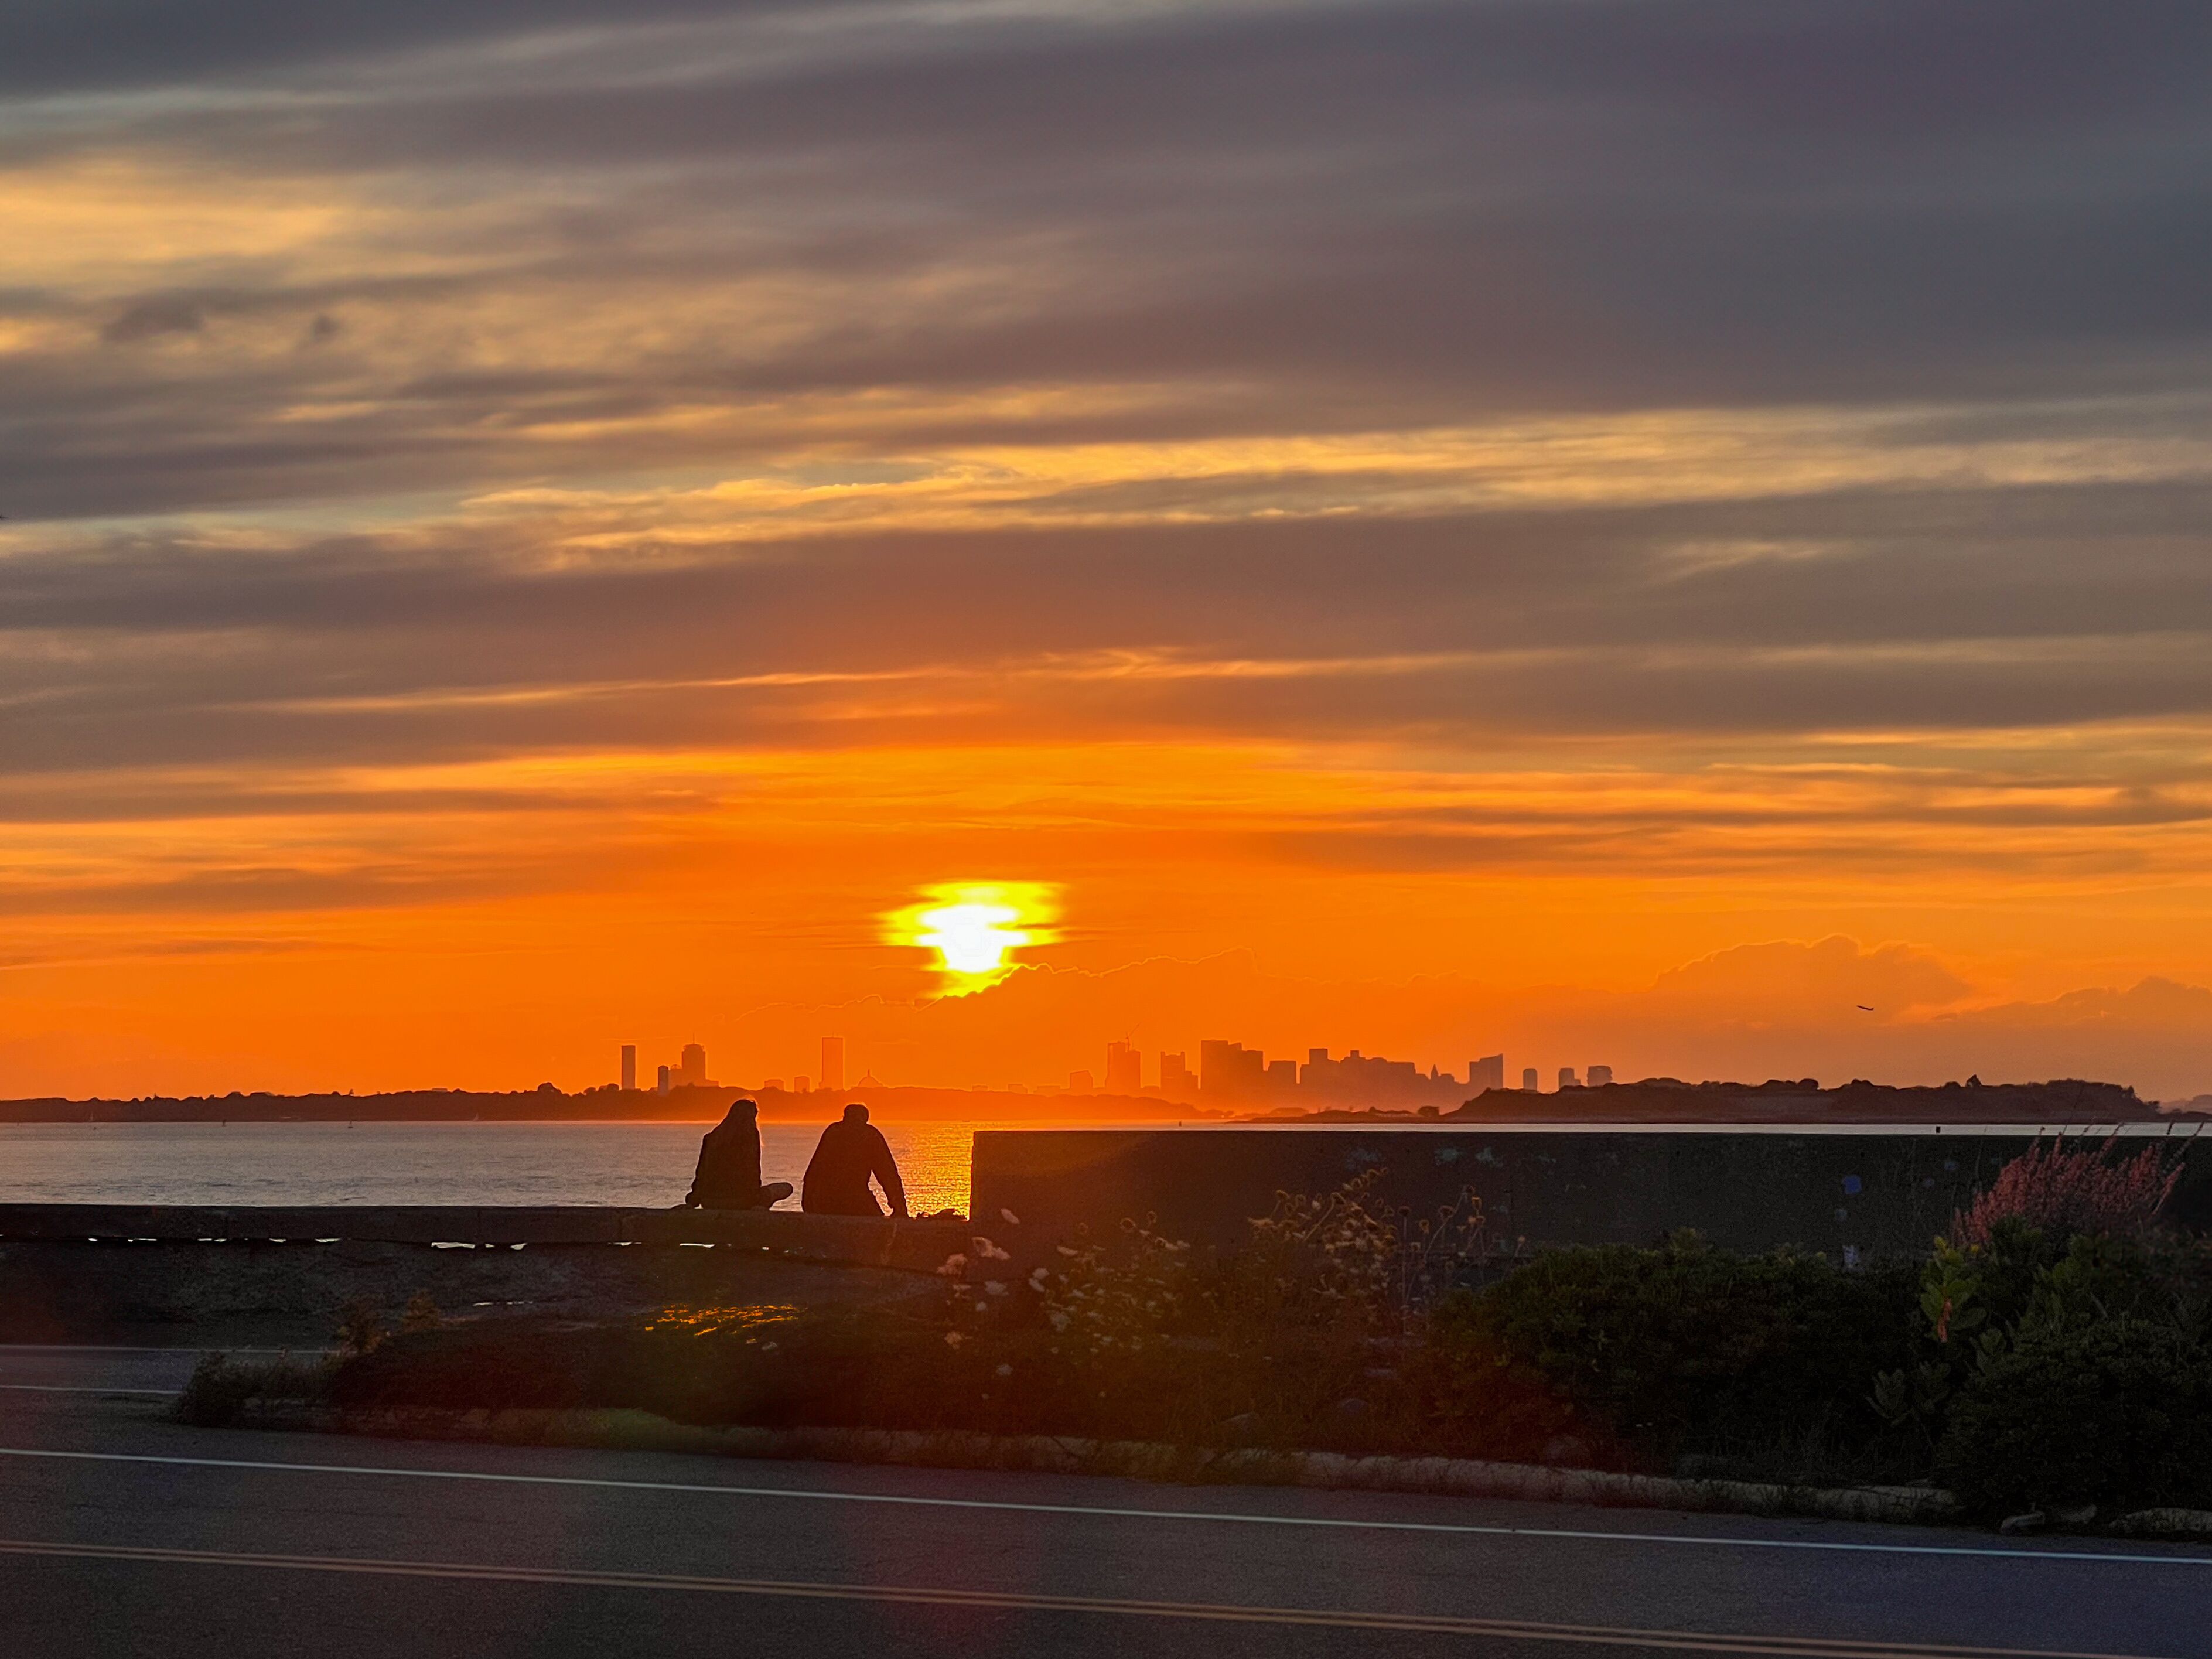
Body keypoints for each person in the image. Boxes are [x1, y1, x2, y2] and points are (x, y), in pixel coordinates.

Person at [801, 1103, 907, 1218]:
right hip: (853, 1200)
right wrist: (899, 1206)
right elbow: (887, 1174)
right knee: (875, 1222)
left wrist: (808, 1202)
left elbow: (813, 1172)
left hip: (826, 1200)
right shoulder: (869, 1135)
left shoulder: (834, 1132)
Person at [684, 1099, 793, 1210]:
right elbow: (753, 1170)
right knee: (787, 1188)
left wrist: (693, 1200)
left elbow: (701, 1173)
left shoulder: (711, 1138)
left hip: (709, 1201)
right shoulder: (750, 1136)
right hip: (742, 1201)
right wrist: (756, 1199)